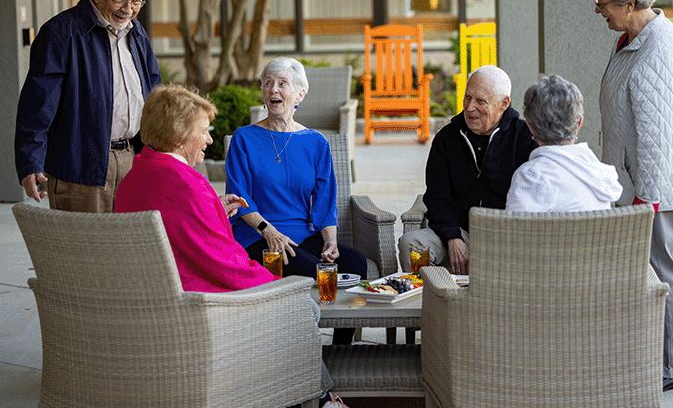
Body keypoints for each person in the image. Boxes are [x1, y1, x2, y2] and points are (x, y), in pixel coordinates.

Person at [114, 85, 347, 408]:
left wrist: (212, 208)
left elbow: (177, 227)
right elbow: (224, 263)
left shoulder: (136, 176)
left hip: (153, 299)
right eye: (204, 132)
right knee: (300, 307)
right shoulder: (187, 184)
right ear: (180, 136)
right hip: (196, 305)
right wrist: (277, 286)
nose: (209, 140)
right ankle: (317, 399)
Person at [586, 0, 673, 392]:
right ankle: (640, 355)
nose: (599, 12)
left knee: (659, 272)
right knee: (639, 273)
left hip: (651, 188)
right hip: (630, 184)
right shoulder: (631, 39)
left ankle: (669, 367)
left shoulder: (659, 48)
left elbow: (657, 135)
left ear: (629, 3)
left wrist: (645, 198)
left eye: (603, 4)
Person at [225, 57, 367, 345]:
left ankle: (341, 348)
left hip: (301, 234)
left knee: (355, 264)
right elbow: (239, 198)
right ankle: (299, 349)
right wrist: (268, 231)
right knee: (317, 271)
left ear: (300, 94)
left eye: (282, 84)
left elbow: (326, 200)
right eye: (267, 83)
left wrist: (330, 241)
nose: (273, 89)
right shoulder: (245, 138)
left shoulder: (316, 142)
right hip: (258, 236)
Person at [15, 0, 161, 213]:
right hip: (80, 164)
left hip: (133, 159)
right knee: (85, 252)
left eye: (137, 1)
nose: (128, 9)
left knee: (131, 250)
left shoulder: (136, 33)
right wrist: (30, 163)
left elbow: (153, 92)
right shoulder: (61, 33)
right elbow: (37, 106)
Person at [398, 65, 536, 275]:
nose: (470, 108)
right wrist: (453, 237)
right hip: (459, 232)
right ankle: (437, 304)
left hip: (506, 236)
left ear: (504, 103)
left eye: (480, 101)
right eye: (467, 97)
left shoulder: (525, 137)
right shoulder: (447, 138)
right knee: (412, 245)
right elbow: (437, 197)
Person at [505, 74, 622, 212]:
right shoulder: (600, 175)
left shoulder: (531, 177)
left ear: (530, 126)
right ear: (579, 123)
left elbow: (514, 232)